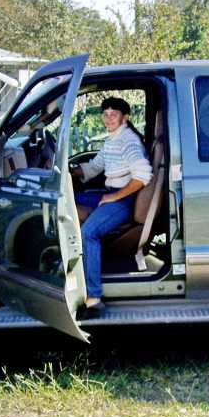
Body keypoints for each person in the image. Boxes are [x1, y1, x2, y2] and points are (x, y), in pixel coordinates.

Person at [71, 97, 152, 316]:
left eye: (113, 114)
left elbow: (143, 176)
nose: (108, 119)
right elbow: (95, 166)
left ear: (125, 117)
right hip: (110, 194)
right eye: (105, 114)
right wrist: (70, 172)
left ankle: (94, 298)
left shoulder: (129, 142)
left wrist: (115, 196)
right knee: (68, 202)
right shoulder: (112, 141)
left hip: (125, 200)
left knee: (89, 233)